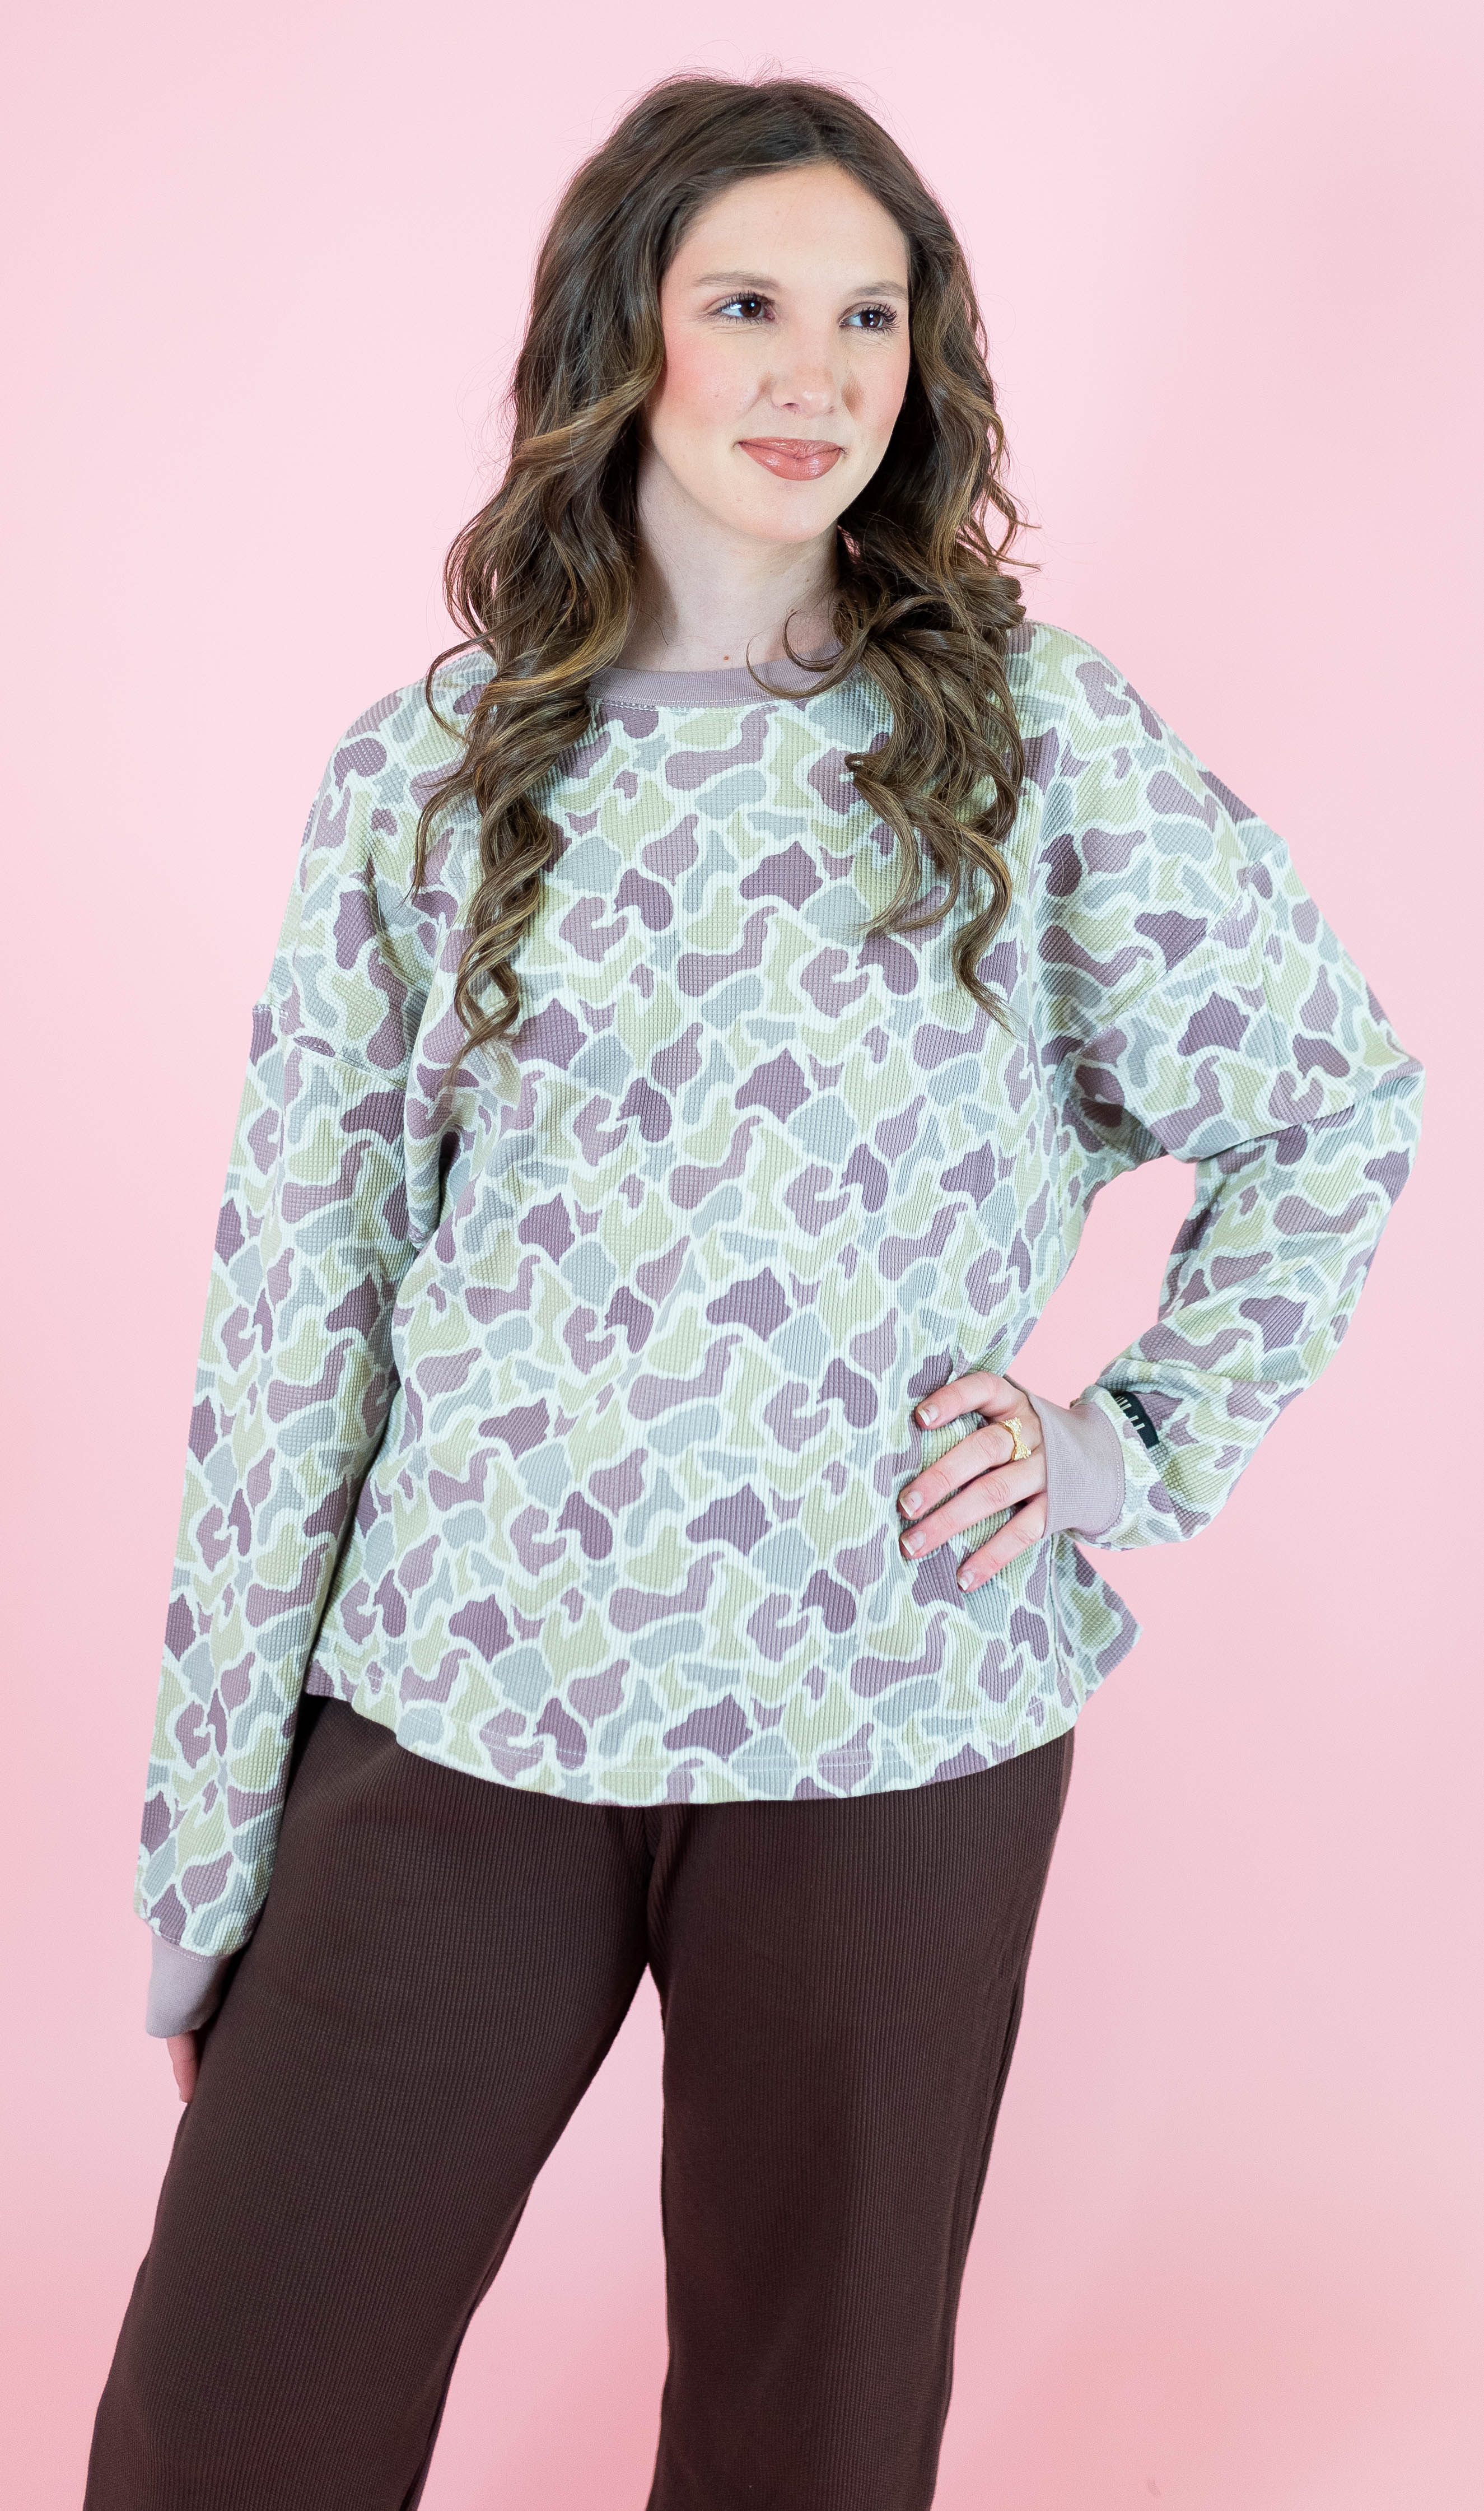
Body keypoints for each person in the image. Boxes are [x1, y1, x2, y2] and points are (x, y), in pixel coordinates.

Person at [86, 71, 1423, 2511]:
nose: (814, 373)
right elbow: (298, 1310)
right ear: (627, 334)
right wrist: (210, 1851)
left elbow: (1334, 1103)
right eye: (746, 306)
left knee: (808, 2442)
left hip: (892, 1713)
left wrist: (1120, 1441)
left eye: (868, 318)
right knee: (233, 2413)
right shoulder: (430, 777)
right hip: (466, 1702)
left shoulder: (1031, 742)